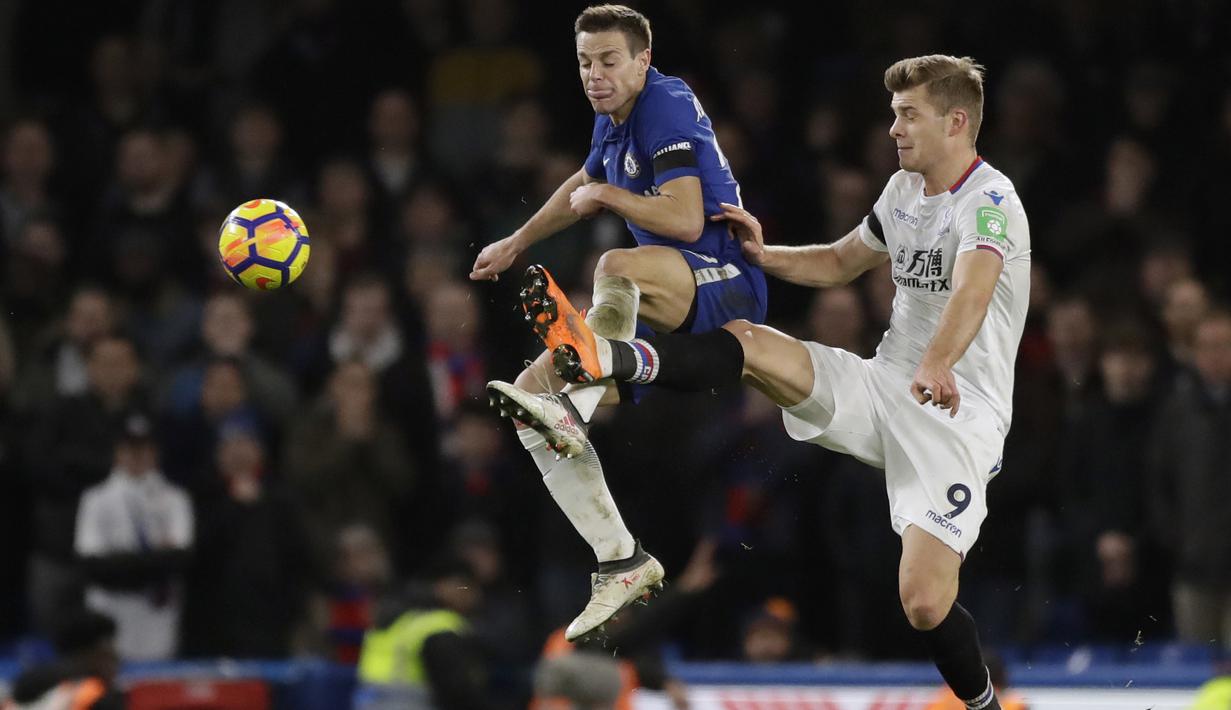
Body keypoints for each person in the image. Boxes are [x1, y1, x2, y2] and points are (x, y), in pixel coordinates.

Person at [527, 55, 1028, 710]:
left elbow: (974, 287)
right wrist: (766, 256)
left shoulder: (990, 202)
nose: (892, 130)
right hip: (885, 383)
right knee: (750, 342)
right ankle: (615, 360)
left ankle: (985, 707)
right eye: (892, 114)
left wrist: (937, 361)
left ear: (955, 122)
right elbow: (840, 262)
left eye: (908, 115)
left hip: (958, 415)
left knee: (924, 602)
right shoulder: (904, 192)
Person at [471, 4, 766, 642]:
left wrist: (605, 197)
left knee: (615, 262)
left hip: (726, 282)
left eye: (608, 61)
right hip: (671, 290)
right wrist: (518, 241)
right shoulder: (614, 117)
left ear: (642, 61)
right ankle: (621, 558)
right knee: (530, 403)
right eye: (584, 62)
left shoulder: (663, 103)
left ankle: (585, 386)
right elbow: (585, 177)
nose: (594, 75)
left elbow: (687, 221)